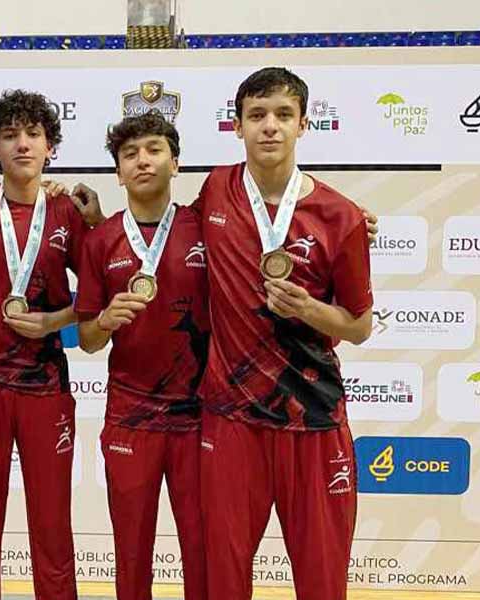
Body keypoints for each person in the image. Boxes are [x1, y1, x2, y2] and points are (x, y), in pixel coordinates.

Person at [196, 67, 373, 600]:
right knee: (224, 580)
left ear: (303, 125)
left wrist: (313, 310)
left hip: (312, 418)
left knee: (321, 581)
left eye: (282, 115)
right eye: (256, 115)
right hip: (231, 419)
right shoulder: (215, 188)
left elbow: (359, 327)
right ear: (237, 126)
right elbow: (159, 223)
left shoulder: (339, 216)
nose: (269, 126)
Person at [0, 89, 103, 600]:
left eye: (34, 134)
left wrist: (51, 322)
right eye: (10, 135)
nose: (23, 144)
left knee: (51, 523)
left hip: (45, 388)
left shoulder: (67, 211)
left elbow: (100, 296)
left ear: (51, 147)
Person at [75, 111, 208, 600]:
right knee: (131, 552)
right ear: (118, 171)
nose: (142, 161)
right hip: (130, 418)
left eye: (154, 149)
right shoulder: (100, 240)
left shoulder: (205, 228)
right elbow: (88, 339)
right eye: (129, 154)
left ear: (176, 163)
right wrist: (105, 320)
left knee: (203, 549)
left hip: (200, 418)